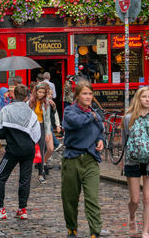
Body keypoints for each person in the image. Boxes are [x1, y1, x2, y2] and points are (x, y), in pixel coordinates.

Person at [0, 85, 41, 220]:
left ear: (12, 96)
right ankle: (22, 209)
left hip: (13, 149)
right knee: (25, 179)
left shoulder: (6, 110)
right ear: (26, 97)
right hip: (29, 149)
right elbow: (36, 133)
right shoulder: (30, 112)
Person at [61, 80, 104, 238]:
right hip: (72, 158)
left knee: (92, 198)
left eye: (90, 94)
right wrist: (92, 116)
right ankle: (72, 227)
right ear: (77, 95)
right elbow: (76, 123)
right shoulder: (69, 111)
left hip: (91, 160)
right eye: (84, 93)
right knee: (70, 198)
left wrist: (101, 140)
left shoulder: (94, 112)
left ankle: (95, 231)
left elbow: (100, 130)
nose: (88, 97)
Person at [122, 87, 149, 238]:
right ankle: (132, 217)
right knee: (135, 200)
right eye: (144, 97)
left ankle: (145, 231)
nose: (147, 99)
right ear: (138, 99)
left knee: (147, 197)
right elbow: (124, 140)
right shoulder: (128, 118)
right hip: (132, 160)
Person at [27, 82, 52, 183]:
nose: (41, 94)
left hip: (41, 126)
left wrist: (47, 133)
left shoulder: (46, 103)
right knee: (31, 150)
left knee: (41, 150)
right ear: (35, 92)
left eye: (43, 92)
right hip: (32, 128)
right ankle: (27, 172)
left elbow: (48, 119)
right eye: (39, 92)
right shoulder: (30, 102)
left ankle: (41, 173)